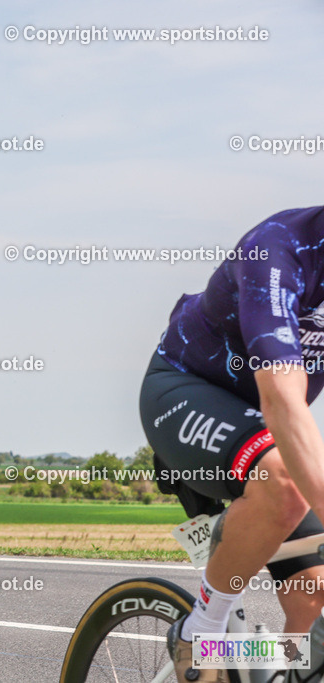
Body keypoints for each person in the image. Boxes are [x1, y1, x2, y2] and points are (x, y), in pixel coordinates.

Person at [139, 206, 324, 681]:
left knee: (313, 596)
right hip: (184, 391)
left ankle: (284, 668)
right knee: (283, 481)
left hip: (262, 428)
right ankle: (199, 631)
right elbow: (282, 398)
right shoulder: (280, 250)